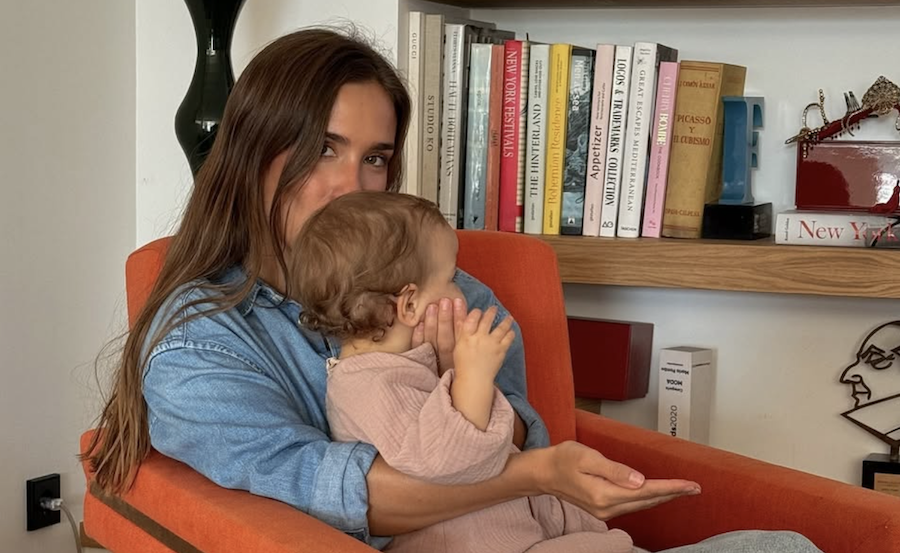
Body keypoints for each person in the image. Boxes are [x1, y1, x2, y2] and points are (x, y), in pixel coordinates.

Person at [83, 25, 823, 553]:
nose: (350, 185)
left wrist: (470, 388)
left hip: (547, 534)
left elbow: (521, 425)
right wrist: (536, 468)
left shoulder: (452, 287)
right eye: (323, 149)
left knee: (785, 542)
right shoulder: (200, 334)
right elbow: (341, 494)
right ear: (253, 153)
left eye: (375, 158)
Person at [292, 190, 635, 553]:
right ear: (409, 304)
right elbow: (451, 462)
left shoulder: (402, 366)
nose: (462, 289)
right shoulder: (367, 387)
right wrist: (473, 376)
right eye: (451, 277)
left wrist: (451, 367)